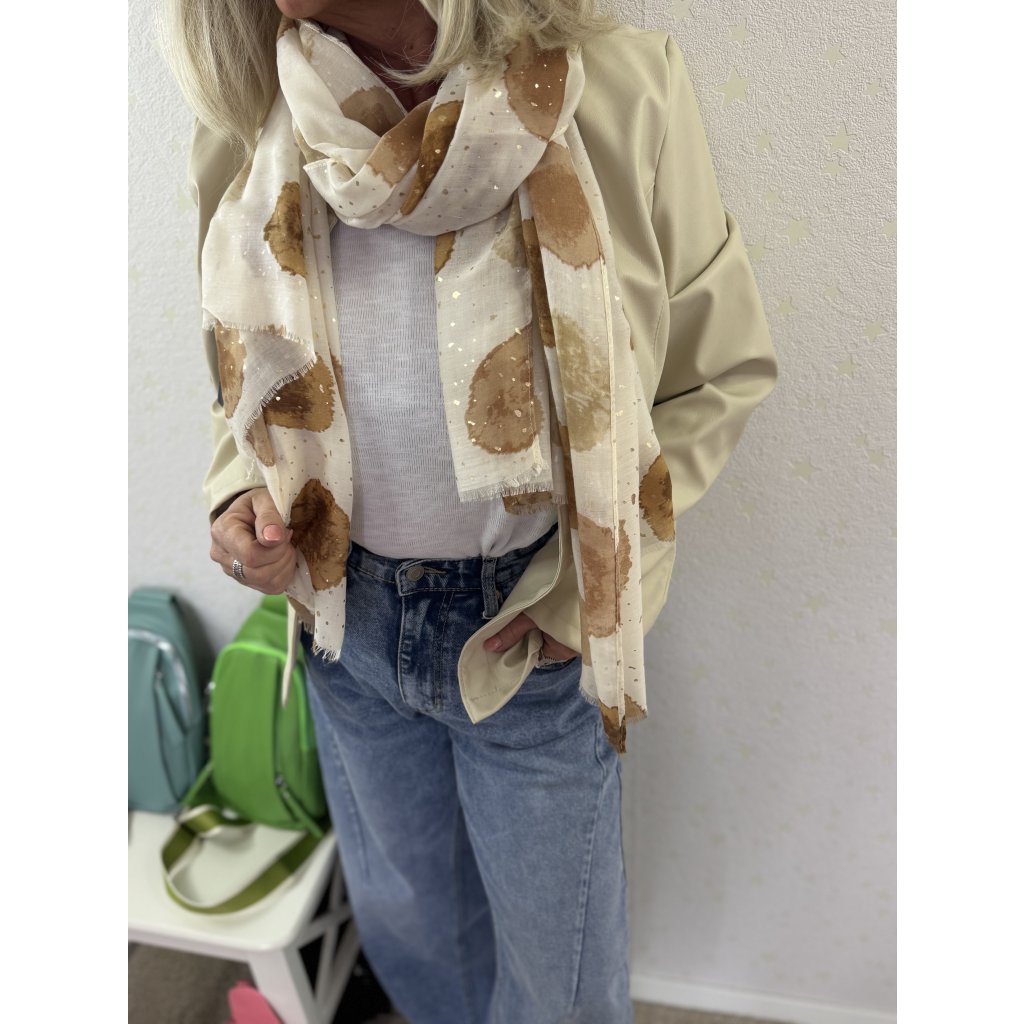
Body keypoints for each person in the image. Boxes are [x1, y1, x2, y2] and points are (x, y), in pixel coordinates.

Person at [163, 0, 778, 1020]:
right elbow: (245, 374)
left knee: (557, 978)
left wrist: (577, 599)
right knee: (411, 934)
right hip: (344, 623)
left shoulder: (616, 89)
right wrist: (239, 491)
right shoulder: (254, 119)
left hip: (530, 632)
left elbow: (718, 373)